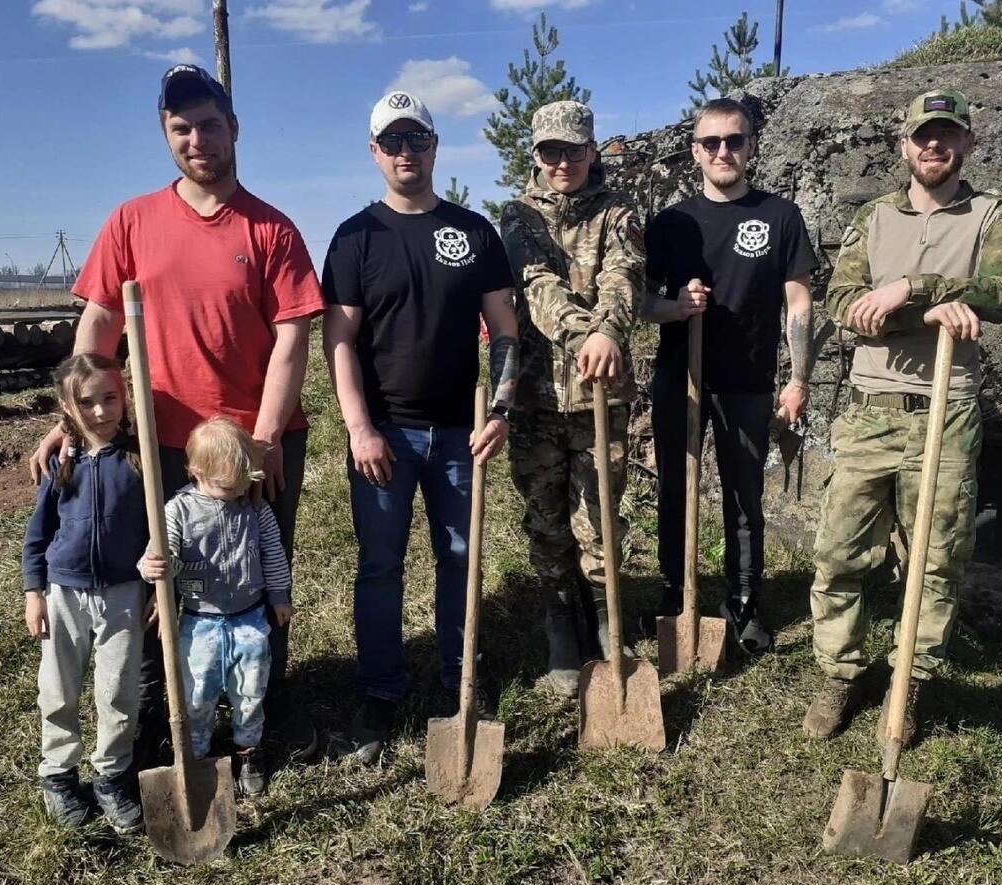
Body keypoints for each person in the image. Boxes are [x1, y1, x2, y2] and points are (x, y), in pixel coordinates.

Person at [28, 65, 325, 764]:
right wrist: (73, 419)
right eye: (181, 128)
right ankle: (168, 716)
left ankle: (258, 713)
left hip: (250, 441)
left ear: (234, 130)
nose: (197, 140)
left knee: (252, 574)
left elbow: (292, 338)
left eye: (210, 125)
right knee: (159, 575)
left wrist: (266, 436)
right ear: (166, 134)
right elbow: (100, 323)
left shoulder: (272, 229)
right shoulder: (131, 221)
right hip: (158, 441)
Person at [803, 89, 1002, 744]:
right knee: (840, 551)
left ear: (967, 144)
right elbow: (844, 303)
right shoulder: (872, 219)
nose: (935, 145)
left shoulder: (991, 216)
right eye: (923, 135)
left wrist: (915, 286)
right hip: (871, 411)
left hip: (947, 410)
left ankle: (912, 682)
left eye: (948, 134)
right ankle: (840, 673)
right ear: (904, 146)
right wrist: (921, 312)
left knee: (936, 559)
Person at [321, 90, 519, 764]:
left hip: (460, 436)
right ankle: (379, 689)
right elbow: (339, 339)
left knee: (460, 559)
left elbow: (506, 331)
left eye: (419, 140)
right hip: (384, 434)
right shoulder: (355, 237)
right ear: (375, 152)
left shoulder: (474, 231)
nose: (407, 152)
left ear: (436, 148)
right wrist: (358, 427)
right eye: (393, 142)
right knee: (380, 566)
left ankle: (459, 675)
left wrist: (501, 409)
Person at [639, 97, 817, 655]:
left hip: (747, 382)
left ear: (750, 146)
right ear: (695, 151)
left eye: (734, 141)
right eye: (711, 142)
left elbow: (800, 304)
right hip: (681, 379)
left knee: (744, 497)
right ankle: (676, 594)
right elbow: (638, 301)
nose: (723, 151)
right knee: (675, 489)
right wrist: (676, 307)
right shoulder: (671, 223)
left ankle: (742, 605)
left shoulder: (780, 216)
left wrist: (799, 378)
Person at [500, 100, 645, 698]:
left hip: (601, 398)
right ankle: (562, 617)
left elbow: (625, 275)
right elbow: (537, 283)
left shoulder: (618, 211)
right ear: (535, 155)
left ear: (591, 150)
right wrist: (590, 332)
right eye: (550, 151)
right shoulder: (516, 215)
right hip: (534, 395)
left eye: (574, 150)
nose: (562, 162)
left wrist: (610, 330)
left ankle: (608, 617)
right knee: (546, 518)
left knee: (601, 516)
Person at [22, 353, 149, 833]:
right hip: (64, 592)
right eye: (87, 402)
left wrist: (157, 584)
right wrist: (34, 591)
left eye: (109, 398)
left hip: (124, 593)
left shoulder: (140, 457)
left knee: (117, 691)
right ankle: (58, 773)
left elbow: (161, 526)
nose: (100, 412)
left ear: (124, 395)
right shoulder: (60, 461)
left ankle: (112, 776)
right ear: (66, 406)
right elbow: (38, 533)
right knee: (59, 687)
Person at [140, 417, 292, 796]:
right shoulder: (177, 511)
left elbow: (273, 552)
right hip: (201, 620)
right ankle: (198, 752)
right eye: (229, 484)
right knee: (198, 691)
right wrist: (155, 567)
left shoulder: (254, 509)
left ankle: (248, 750)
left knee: (251, 688)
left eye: (244, 480)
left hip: (249, 618)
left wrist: (278, 595)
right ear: (197, 471)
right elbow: (162, 554)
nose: (240, 489)